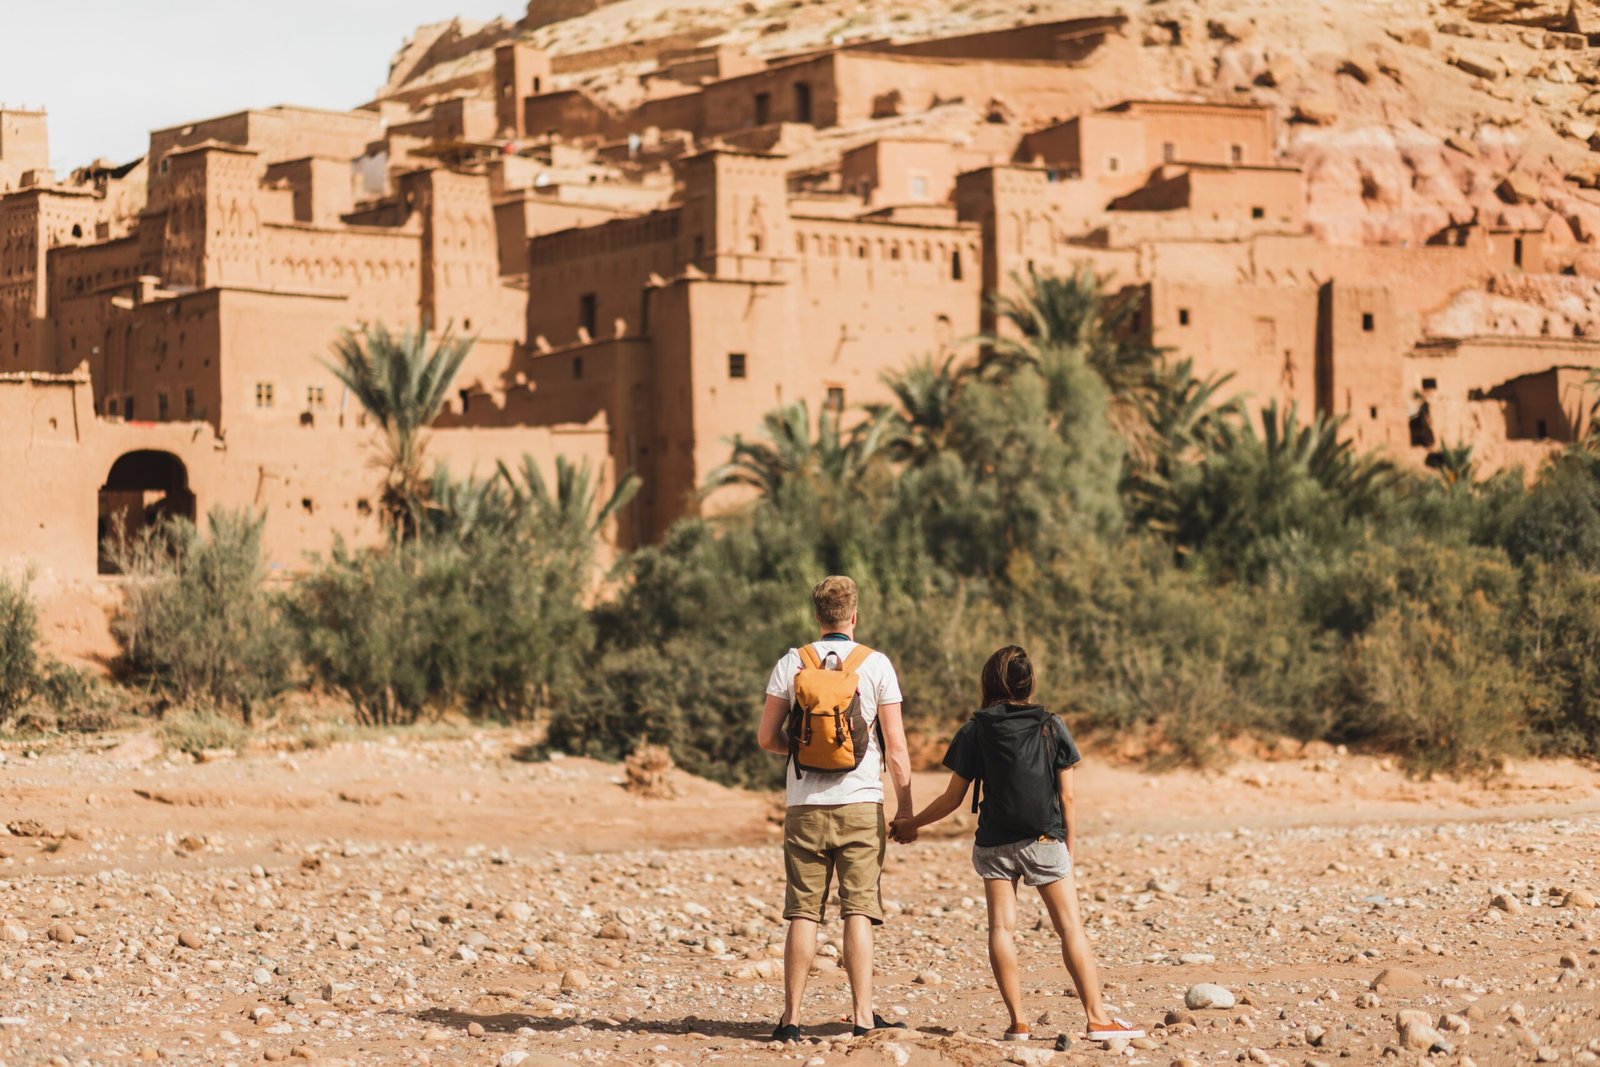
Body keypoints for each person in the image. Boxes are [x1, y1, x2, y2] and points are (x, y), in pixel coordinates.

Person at [890, 645, 1143, 1046]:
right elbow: (1069, 798)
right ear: (1029, 684)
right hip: (1043, 837)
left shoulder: (976, 729)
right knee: (1069, 927)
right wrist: (1068, 851)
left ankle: (1018, 1024)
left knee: (1001, 929)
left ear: (989, 682)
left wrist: (911, 824)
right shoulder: (1051, 724)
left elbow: (953, 798)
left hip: (993, 841)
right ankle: (1097, 1018)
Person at [757, 575, 914, 1043]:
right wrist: (905, 809)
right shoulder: (876, 664)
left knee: (804, 912)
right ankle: (863, 1016)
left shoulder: (793, 662)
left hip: (805, 804)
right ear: (854, 616)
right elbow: (898, 745)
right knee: (858, 912)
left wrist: (800, 750)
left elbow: (766, 737)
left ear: (817, 617)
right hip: (862, 803)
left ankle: (790, 1019)